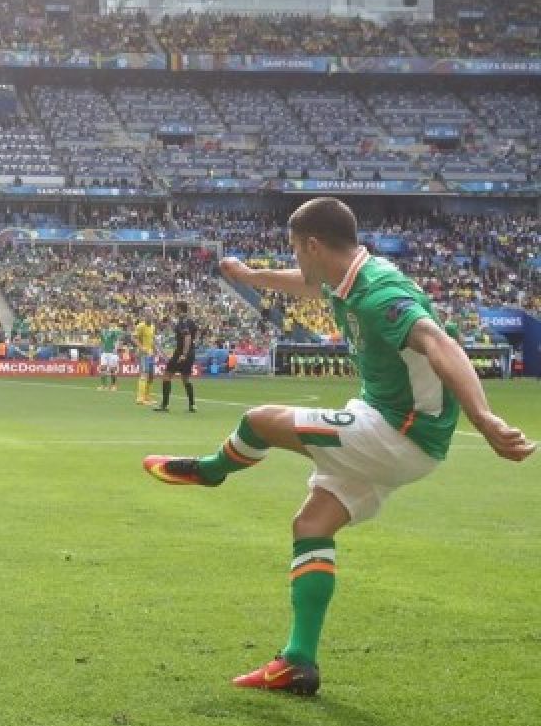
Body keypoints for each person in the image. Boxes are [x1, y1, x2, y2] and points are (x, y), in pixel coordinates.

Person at [143, 197, 534, 695]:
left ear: (312, 244)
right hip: (395, 430)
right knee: (311, 525)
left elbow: (441, 343)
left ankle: (213, 469)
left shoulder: (378, 291)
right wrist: (248, 274)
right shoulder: (347, 273)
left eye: (295, 250)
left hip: (397, 432)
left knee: (260, 420)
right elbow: (305, 282)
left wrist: (483, 418)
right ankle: (298, 662)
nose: (297, 261)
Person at [153, 301, 197, 412]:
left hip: (181, 353)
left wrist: (183, 354)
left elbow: (187, 337)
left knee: (167, 376)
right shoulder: (190, 321)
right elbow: (191, 335)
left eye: (176, 308)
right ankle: (192, 405)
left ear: (180, 309)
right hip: (191, 352)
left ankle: (164, 405)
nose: (174, 310)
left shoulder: (183, 322)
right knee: (185, 379)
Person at [134, 315, 157, 405]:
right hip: (143, 353)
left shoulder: (152, 326)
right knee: (144, 373)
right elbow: (134, 338)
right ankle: (140, 398)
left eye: (150, 315)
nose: (149, 317)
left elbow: (152, 340)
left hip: (150, 353)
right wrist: (141, 348)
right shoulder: (140, 326)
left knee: (151, 376)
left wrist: (154, 350)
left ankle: (147, 397)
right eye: (147, 315)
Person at [97, 321, 123, 391]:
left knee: (112, 370)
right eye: (104, 324)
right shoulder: (102, 332)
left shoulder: (113, 331)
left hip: (112, 353)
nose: (105, 324)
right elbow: (102, 341)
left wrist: (116, 348)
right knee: (103, 369)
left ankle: (113, 386)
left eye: (107, 323)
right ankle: (103, 385)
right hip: (105, 352)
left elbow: (119, 337)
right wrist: (101, 349)